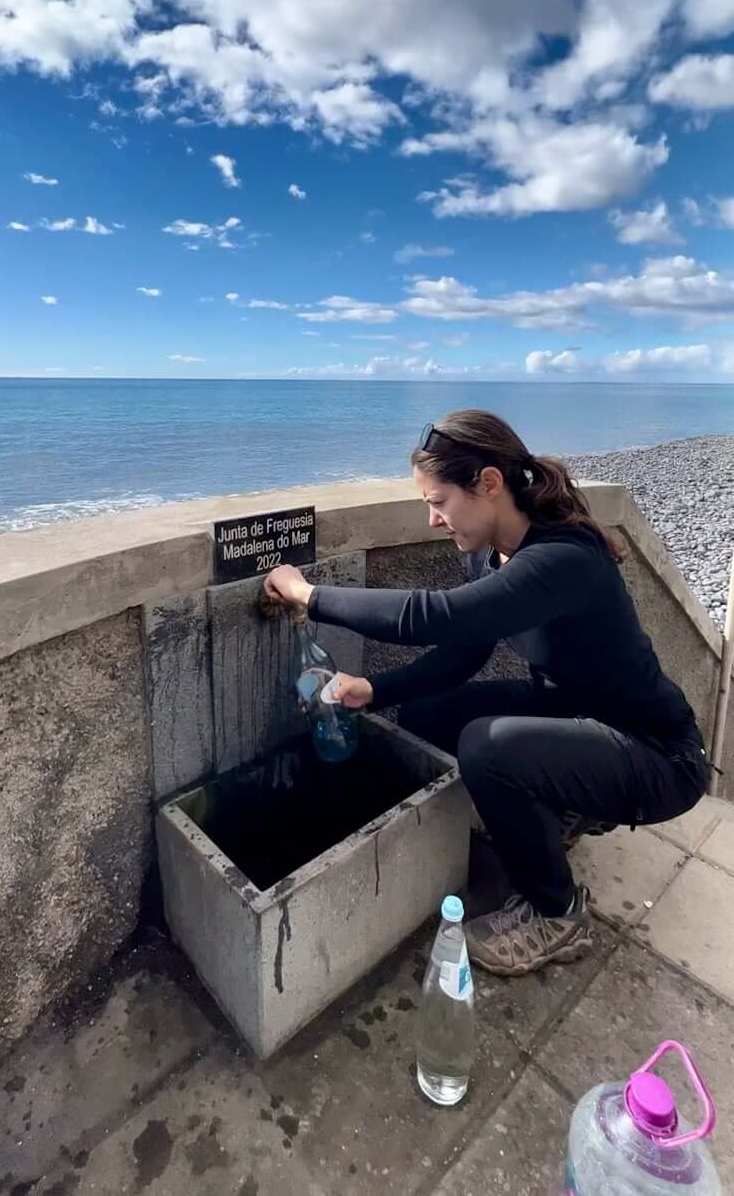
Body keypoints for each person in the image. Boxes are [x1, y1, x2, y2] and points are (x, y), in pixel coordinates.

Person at [264, 410, 709, 978]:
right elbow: (462, 647)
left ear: (490, 484)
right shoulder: (490, 551)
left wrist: (309, 592)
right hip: (577, 716)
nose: (432, 519)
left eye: (440, 501)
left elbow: (433, 616)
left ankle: (557, 911)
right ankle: (558, 806)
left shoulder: (563, 558)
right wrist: (374, 689)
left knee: (486, 746)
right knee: (427, 714)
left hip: (656, 755)